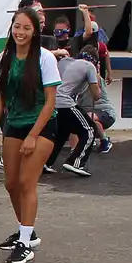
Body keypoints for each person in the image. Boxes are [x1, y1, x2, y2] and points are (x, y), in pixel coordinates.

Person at [0, 6, 60, 263]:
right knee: (11, 183)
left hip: (41, 124)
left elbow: (50, 103)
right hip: (14, 124)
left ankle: (25, 243)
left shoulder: (45, 58)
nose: (21, 32)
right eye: (17, 26)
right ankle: (27, 230)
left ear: (36, 31)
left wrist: (33, 136)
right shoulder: (6, 56)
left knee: (27, 182)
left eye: (27, 27)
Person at [48, 44, 100, 177]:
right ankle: (76, 162)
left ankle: (47, 162)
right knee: (90, 129)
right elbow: (96, 95)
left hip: (53, 102)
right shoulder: (90, 66)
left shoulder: (67, 62)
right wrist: (96, 76)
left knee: (61, 133)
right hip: (65, 102)